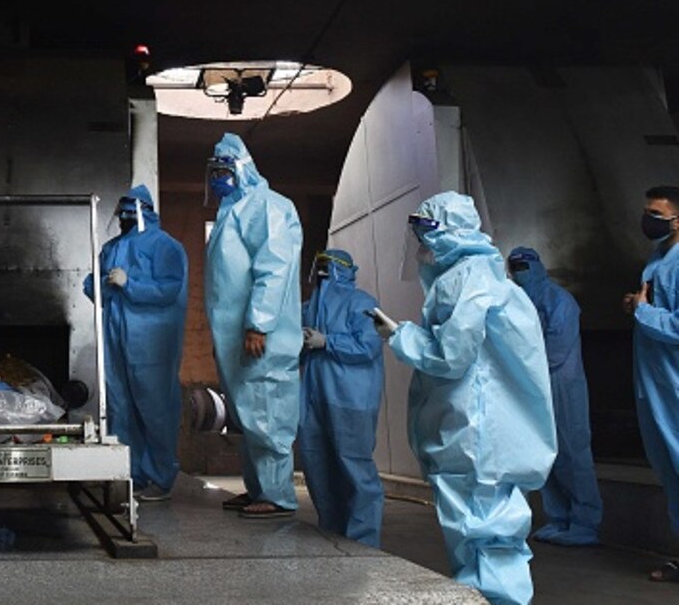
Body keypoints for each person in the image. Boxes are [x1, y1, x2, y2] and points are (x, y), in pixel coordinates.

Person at [375, 191, 556, 605]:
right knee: (487, 532)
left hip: (473, 430)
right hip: (483, 428)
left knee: (481, 529)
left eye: (423, 233)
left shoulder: (466, 278)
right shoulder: (482, 273)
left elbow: (452, 354)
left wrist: (401, 336)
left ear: (443, 232)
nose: (419, 247)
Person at [204, 133, 303, 519]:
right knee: (249, 416)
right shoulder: (233, 210)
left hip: (260, 336)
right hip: (235, 337)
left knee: (267, 413)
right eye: (214, 170)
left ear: (243, 168)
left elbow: (273, 268)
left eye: (225, 169)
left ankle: (278, 496)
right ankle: (259, 489)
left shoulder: (267, 206)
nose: (218, 178)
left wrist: (258, 323)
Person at [83, 185, 188, 502]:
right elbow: (91, 286)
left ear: (142, 211)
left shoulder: (165, 246)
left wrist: (131, 284)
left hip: (150, 341)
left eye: (129, 212)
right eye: (122, 212)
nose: (124, 218)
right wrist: (103, 283)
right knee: (121, 408)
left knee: (155, 407)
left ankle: (160, 477)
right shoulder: (112, 247)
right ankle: (128, 475)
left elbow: (168, 290)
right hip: (116, 338)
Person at [508, 246, 602, 547]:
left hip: (561, 385)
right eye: (515, 266)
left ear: (537, 267)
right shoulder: (518, 301)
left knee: (573, 453)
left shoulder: (560, 301)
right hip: (533, 386)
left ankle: (585, 523)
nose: (519, 272)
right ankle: (558, 519)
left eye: (524, 266)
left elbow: (557, 349)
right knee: (545, 455)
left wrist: (522, 367)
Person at [299, 249, 385, 546]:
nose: (322, 272)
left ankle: (363, 541)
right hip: (313, 398)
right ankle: (332, 532)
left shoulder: (362, 303)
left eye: (328, 266)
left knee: (355, 466)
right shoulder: (309, 307)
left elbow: (368, 346)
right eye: (318, 265)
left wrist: (327, 341)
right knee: (318, 466)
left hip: (351, 399)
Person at [622, 185, 679, 583]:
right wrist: (638, 306)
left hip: (674, 381)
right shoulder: (658, 259)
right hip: (658, 382)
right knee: (671, 474)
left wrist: (645, 314)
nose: (649, 220)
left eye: (656, 214)